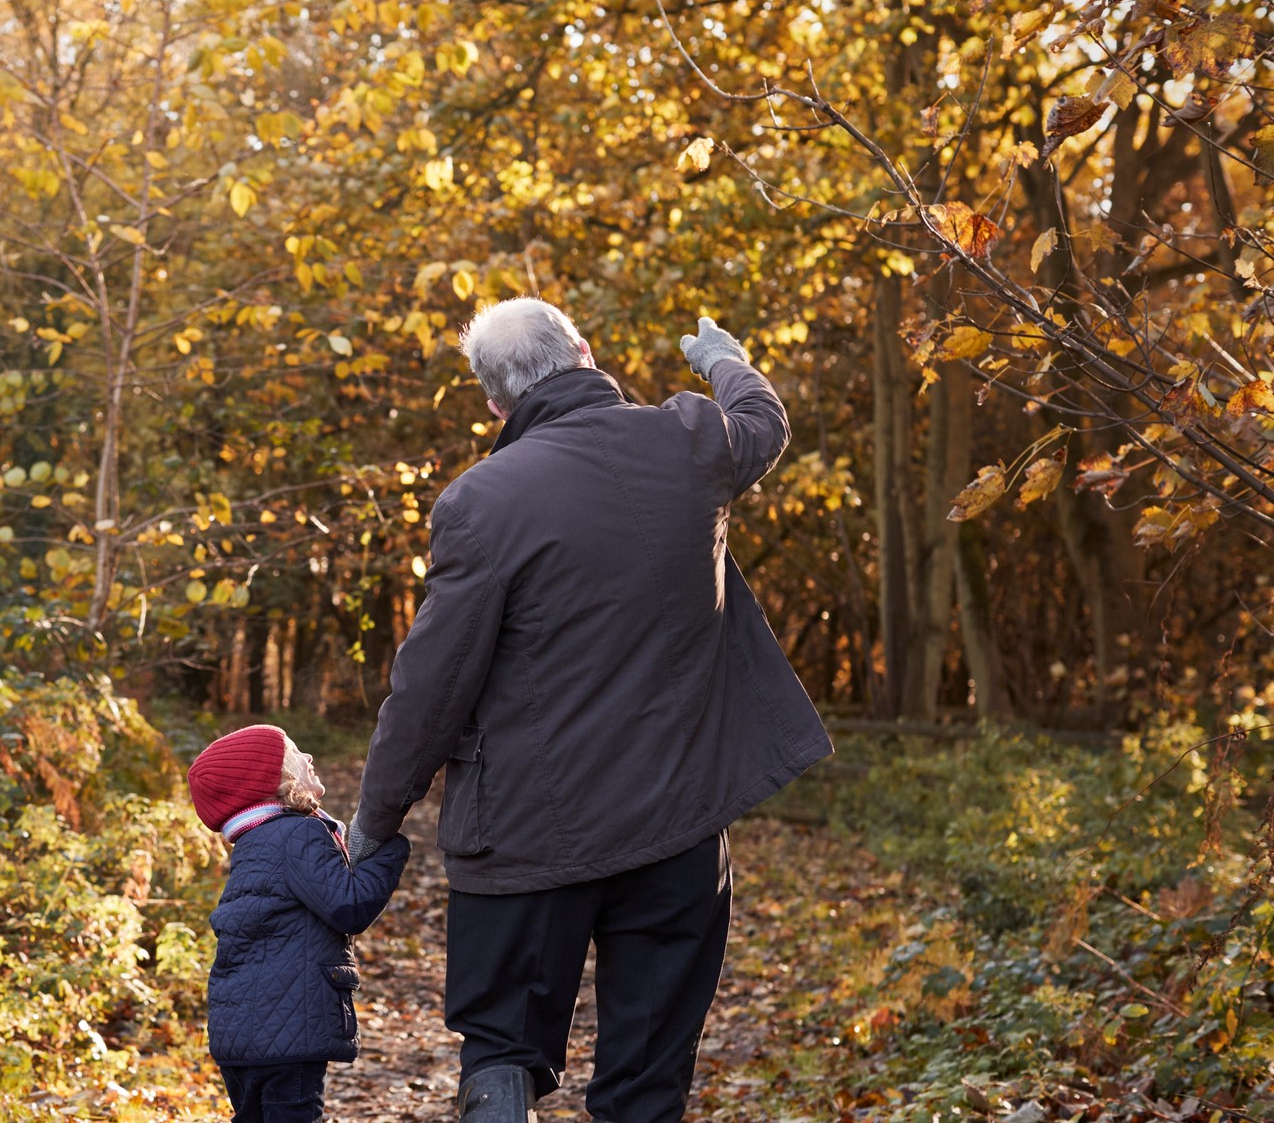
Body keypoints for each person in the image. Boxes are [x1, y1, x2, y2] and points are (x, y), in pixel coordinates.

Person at [344, 301, 832, 1123]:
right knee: (645, 1079)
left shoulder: (482, 501)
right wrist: (720, 357)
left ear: (493, 403)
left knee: (501, 1051)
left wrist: (375, 817)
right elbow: (761, 419)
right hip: (676, 832)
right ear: (581, 350)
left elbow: (430, 684)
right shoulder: (686, 441)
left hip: (527, 838)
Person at [188, 723, 412, 1123]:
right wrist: (390, 849)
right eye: (294, 751)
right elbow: (349, 906)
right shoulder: (297, 834)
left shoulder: (256, 843)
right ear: (275, 778)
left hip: (240, 1035)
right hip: (288, 1035)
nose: (307, 757)